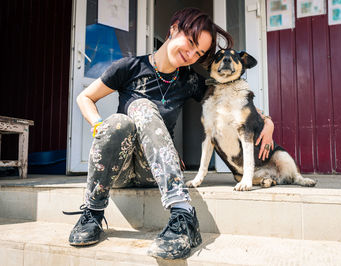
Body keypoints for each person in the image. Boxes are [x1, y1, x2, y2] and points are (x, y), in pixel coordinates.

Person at [65, 7, 274, 260]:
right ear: (174, 28)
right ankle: (93, 213)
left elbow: (235, 101)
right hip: (118, 169)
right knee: (120, 121)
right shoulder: (129, 67)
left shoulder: (189, 80)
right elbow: (85, 97)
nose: (190, 54)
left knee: (142, 106)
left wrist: (268, 122)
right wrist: (100, 127)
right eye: (191, 43)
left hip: (153, 170)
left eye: (198, 53)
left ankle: (183, 215)